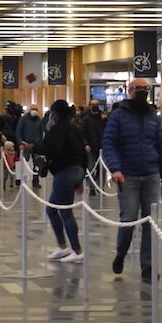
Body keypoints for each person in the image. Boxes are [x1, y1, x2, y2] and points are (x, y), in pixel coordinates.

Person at [101, 79, 162, 281]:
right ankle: (121, 253)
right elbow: (108, 143)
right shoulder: (118, 116)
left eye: (144, 89)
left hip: (151, 175)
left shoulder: (152, 117)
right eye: (137, 89)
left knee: (151, 222)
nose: (141, 92)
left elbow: (161, 147)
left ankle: (148, 267)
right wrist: (115, 168)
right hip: (128, 176)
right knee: (129, 219)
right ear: (129, 91)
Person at [38, 99, 87, 264]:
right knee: (51, 209)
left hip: (65, 172)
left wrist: (33, 148)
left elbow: (52, 150)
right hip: (77, 170)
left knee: (66, 212)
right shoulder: (75, 128)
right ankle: (62, 246)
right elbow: (84, 151)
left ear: (55, 113)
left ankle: (77, 250)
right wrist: (81, 179)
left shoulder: (57, 129)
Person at [80, 98, 106, 191]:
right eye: (93, 104)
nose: (95, 106)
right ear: (90, 106)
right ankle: (91, 187)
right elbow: (82, 133)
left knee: (102, 168)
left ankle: (100, 186)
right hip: (90, 147)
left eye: (97, 104)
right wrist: (86, 144)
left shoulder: (102, 118)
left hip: (101, 147)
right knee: (90, 167)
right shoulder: (86, 119)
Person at [15, 104, 45, 189]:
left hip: (36, 145)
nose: (34, 111)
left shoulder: (39, 120)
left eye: (36, 109)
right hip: (25, 144)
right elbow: (18, 131)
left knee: (37, 162)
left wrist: (40, 143)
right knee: (23, 162)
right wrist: (20, 143)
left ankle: (35, 181)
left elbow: (41, 133)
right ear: (29, 110)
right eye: (32, 109)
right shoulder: (23, 119)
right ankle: (20, 179)